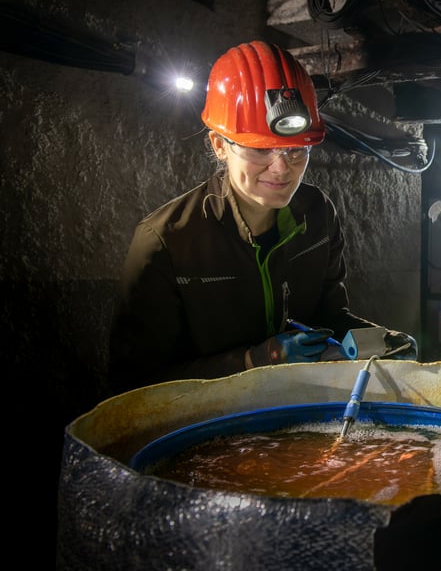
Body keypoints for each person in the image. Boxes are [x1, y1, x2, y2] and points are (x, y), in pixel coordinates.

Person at [108, 40, 414, 395]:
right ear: (220, 145)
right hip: (206, 431)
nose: (282, 168)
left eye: (297, 150)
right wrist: (255, 361)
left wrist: (381, 340)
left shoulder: (317, 215)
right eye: (260, 149)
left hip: (299, 413)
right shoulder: (166, 243)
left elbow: (330, 318)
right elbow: (133, 384)